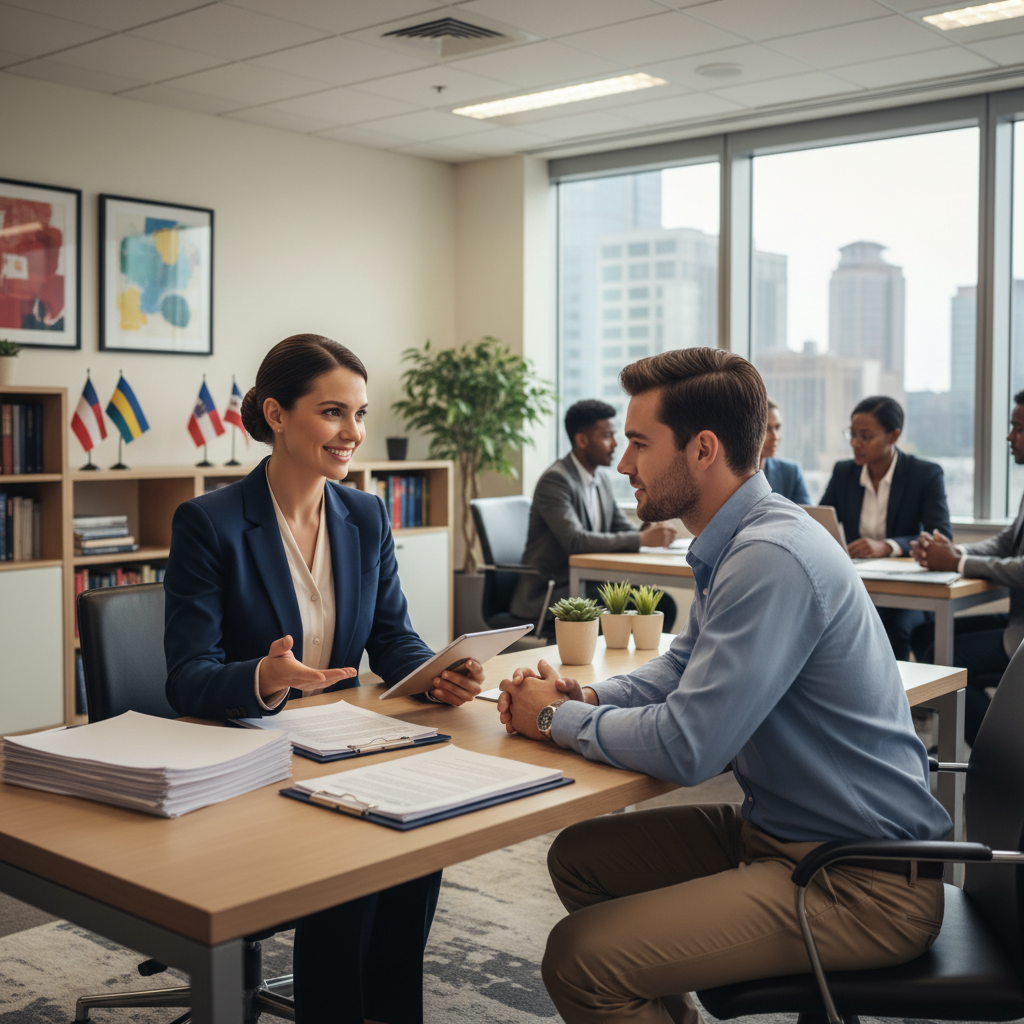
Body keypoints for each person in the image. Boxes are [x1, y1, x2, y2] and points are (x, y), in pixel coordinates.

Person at [496, 348, 950, 1024]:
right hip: (783, 834)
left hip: (859, 880)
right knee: (582, 858)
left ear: (703, 450)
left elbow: (688, 747)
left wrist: (548, 722)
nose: (623, 465)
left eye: (640, 445)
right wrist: (587, 698)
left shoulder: (770, 557)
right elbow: (682, 668)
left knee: (579, 959)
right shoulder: (742, 540)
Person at [163, 333, 484, 1024]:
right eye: (334, 412)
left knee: (416, 838)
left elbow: (391, 635)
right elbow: (188, 678)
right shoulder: (210, 523)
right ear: (277, 415)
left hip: (339, 746)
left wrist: (435, 676)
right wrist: (266, 677)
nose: (353, 433)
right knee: (353, 863)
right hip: (248, 760)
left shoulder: (365, 514)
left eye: (360, 414)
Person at [910, 392, 1024, 744]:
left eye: (1017, 428)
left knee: (941, 660)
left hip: (1020, 634)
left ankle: (996, 753)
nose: (1009, 437)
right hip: (1014, 620)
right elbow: (1007, 540)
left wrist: (957, 562)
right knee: (923, 636)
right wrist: (954, 550)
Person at [510, 399, 677, 627]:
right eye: (607, 436)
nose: (616, 445)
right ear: (582, 440)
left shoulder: (601, 480)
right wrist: (641, 539)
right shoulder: (556, 480)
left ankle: (638, 665)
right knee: (648, 608)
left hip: (587, 585)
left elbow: (619, 526)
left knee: (662, 605)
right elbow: (576, 541)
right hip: (553, 593)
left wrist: (646, 530)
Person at [820, 395, 951, 658]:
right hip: (856, 584)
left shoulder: (925, 474)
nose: (856, 444)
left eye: (865, 436)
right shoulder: (844, 472)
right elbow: (820, 521)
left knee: (891, 628)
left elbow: (941, 535)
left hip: (908, 593)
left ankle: (892, 698)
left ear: (894, 436)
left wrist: (888, 546)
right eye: (852, 435)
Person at [760, 398, 811, 504]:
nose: (775, 436)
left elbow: (810, 516)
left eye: (777, 427)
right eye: (766, 429)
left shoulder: (791, 472)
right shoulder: (732, 475)